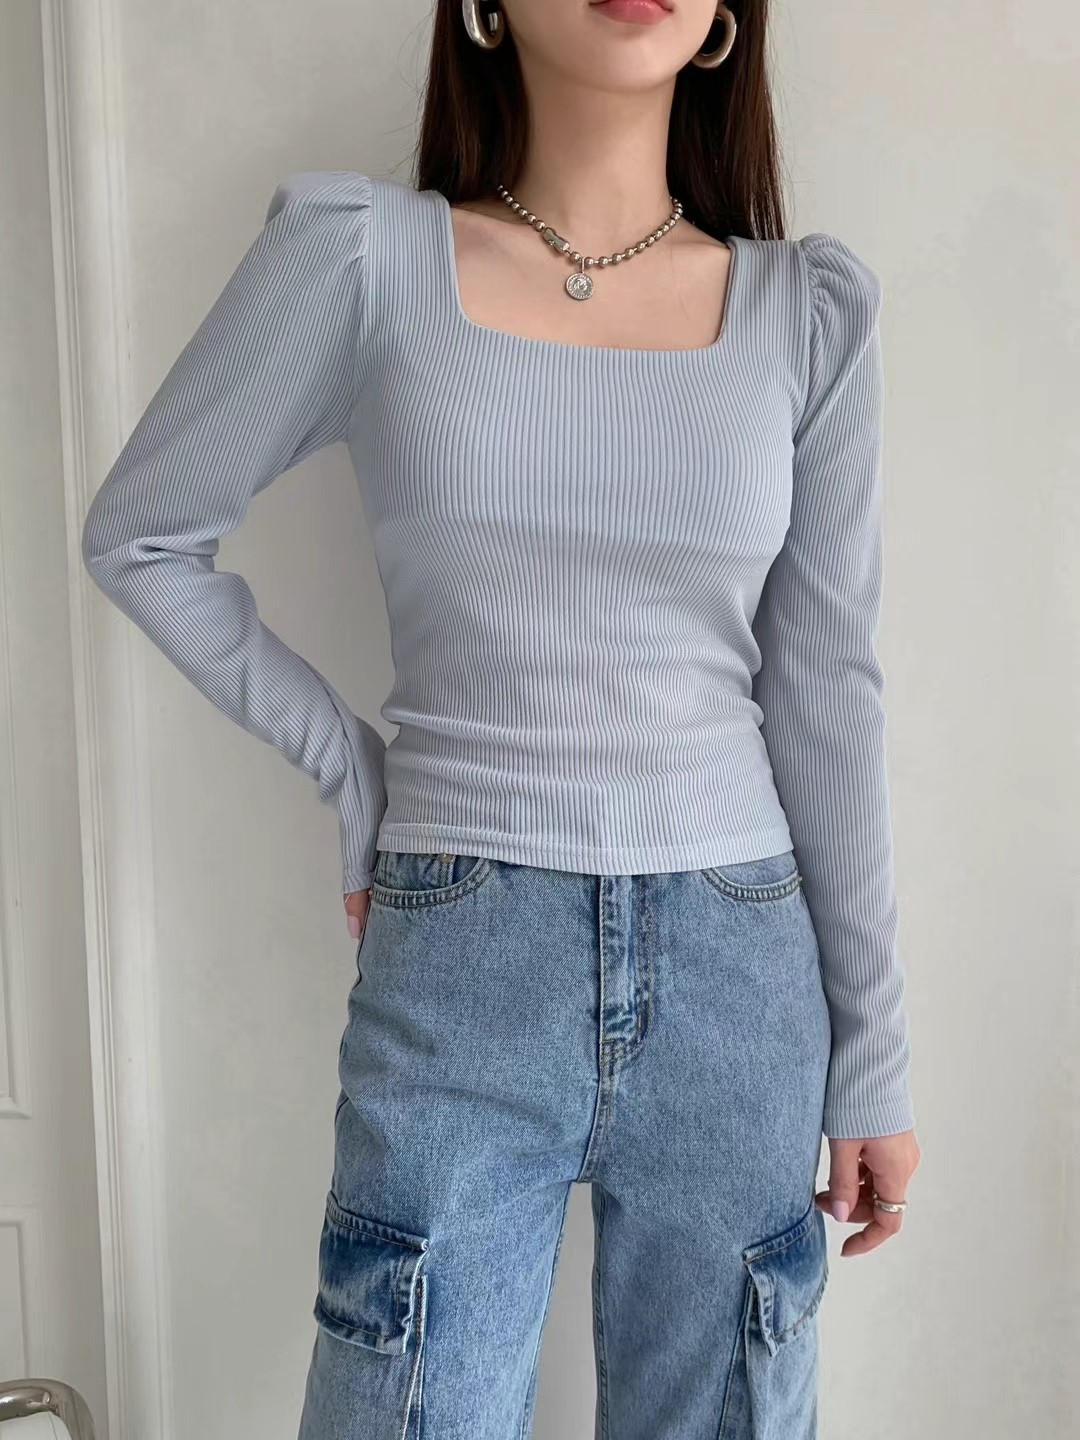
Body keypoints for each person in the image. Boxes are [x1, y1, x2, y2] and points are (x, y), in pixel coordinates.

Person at [80, 0, 922, 1435]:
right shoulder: (363, 260)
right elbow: (143, 537)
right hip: (461, 956)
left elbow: (827, 690)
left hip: (742, 967)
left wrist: (876, 1057)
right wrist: (354, 775)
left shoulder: (809, 313)